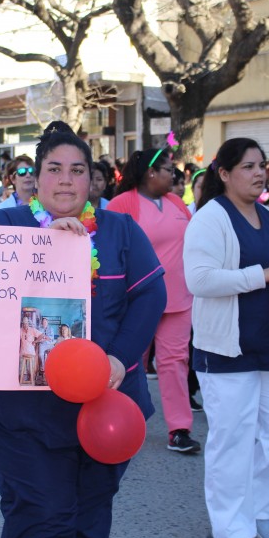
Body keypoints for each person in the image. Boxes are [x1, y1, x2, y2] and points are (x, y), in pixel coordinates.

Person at [0, 121, 165, 538]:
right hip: (21, 414)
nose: (65, 179)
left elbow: (151, 296)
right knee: (44, 518)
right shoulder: (2, 226)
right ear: (35, 178)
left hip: (107, 403)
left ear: (92, 180)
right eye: (54, 169)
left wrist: (118, 359)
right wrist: (38, 248)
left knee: (89, 520)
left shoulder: (121, 230)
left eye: (77, 170)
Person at [184, 137, 269, 538]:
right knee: (232, 442)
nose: (259, 173)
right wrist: (262, 274)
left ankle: (258, 512)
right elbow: (198, 280)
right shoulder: (210, 217)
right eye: (248, 166)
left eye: (262, 165)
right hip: (226, 350)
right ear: (223, 174)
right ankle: (231, 532)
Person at [108, 146, 200, 454]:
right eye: (168, 170)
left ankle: (179, 428)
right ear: (150, 172)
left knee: (176, 362)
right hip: (138, 301)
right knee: (130, 362)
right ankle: (122, 422)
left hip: (178, 299)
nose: (174, 176)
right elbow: (109, 248)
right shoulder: (124, 203)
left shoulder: (177, 203)